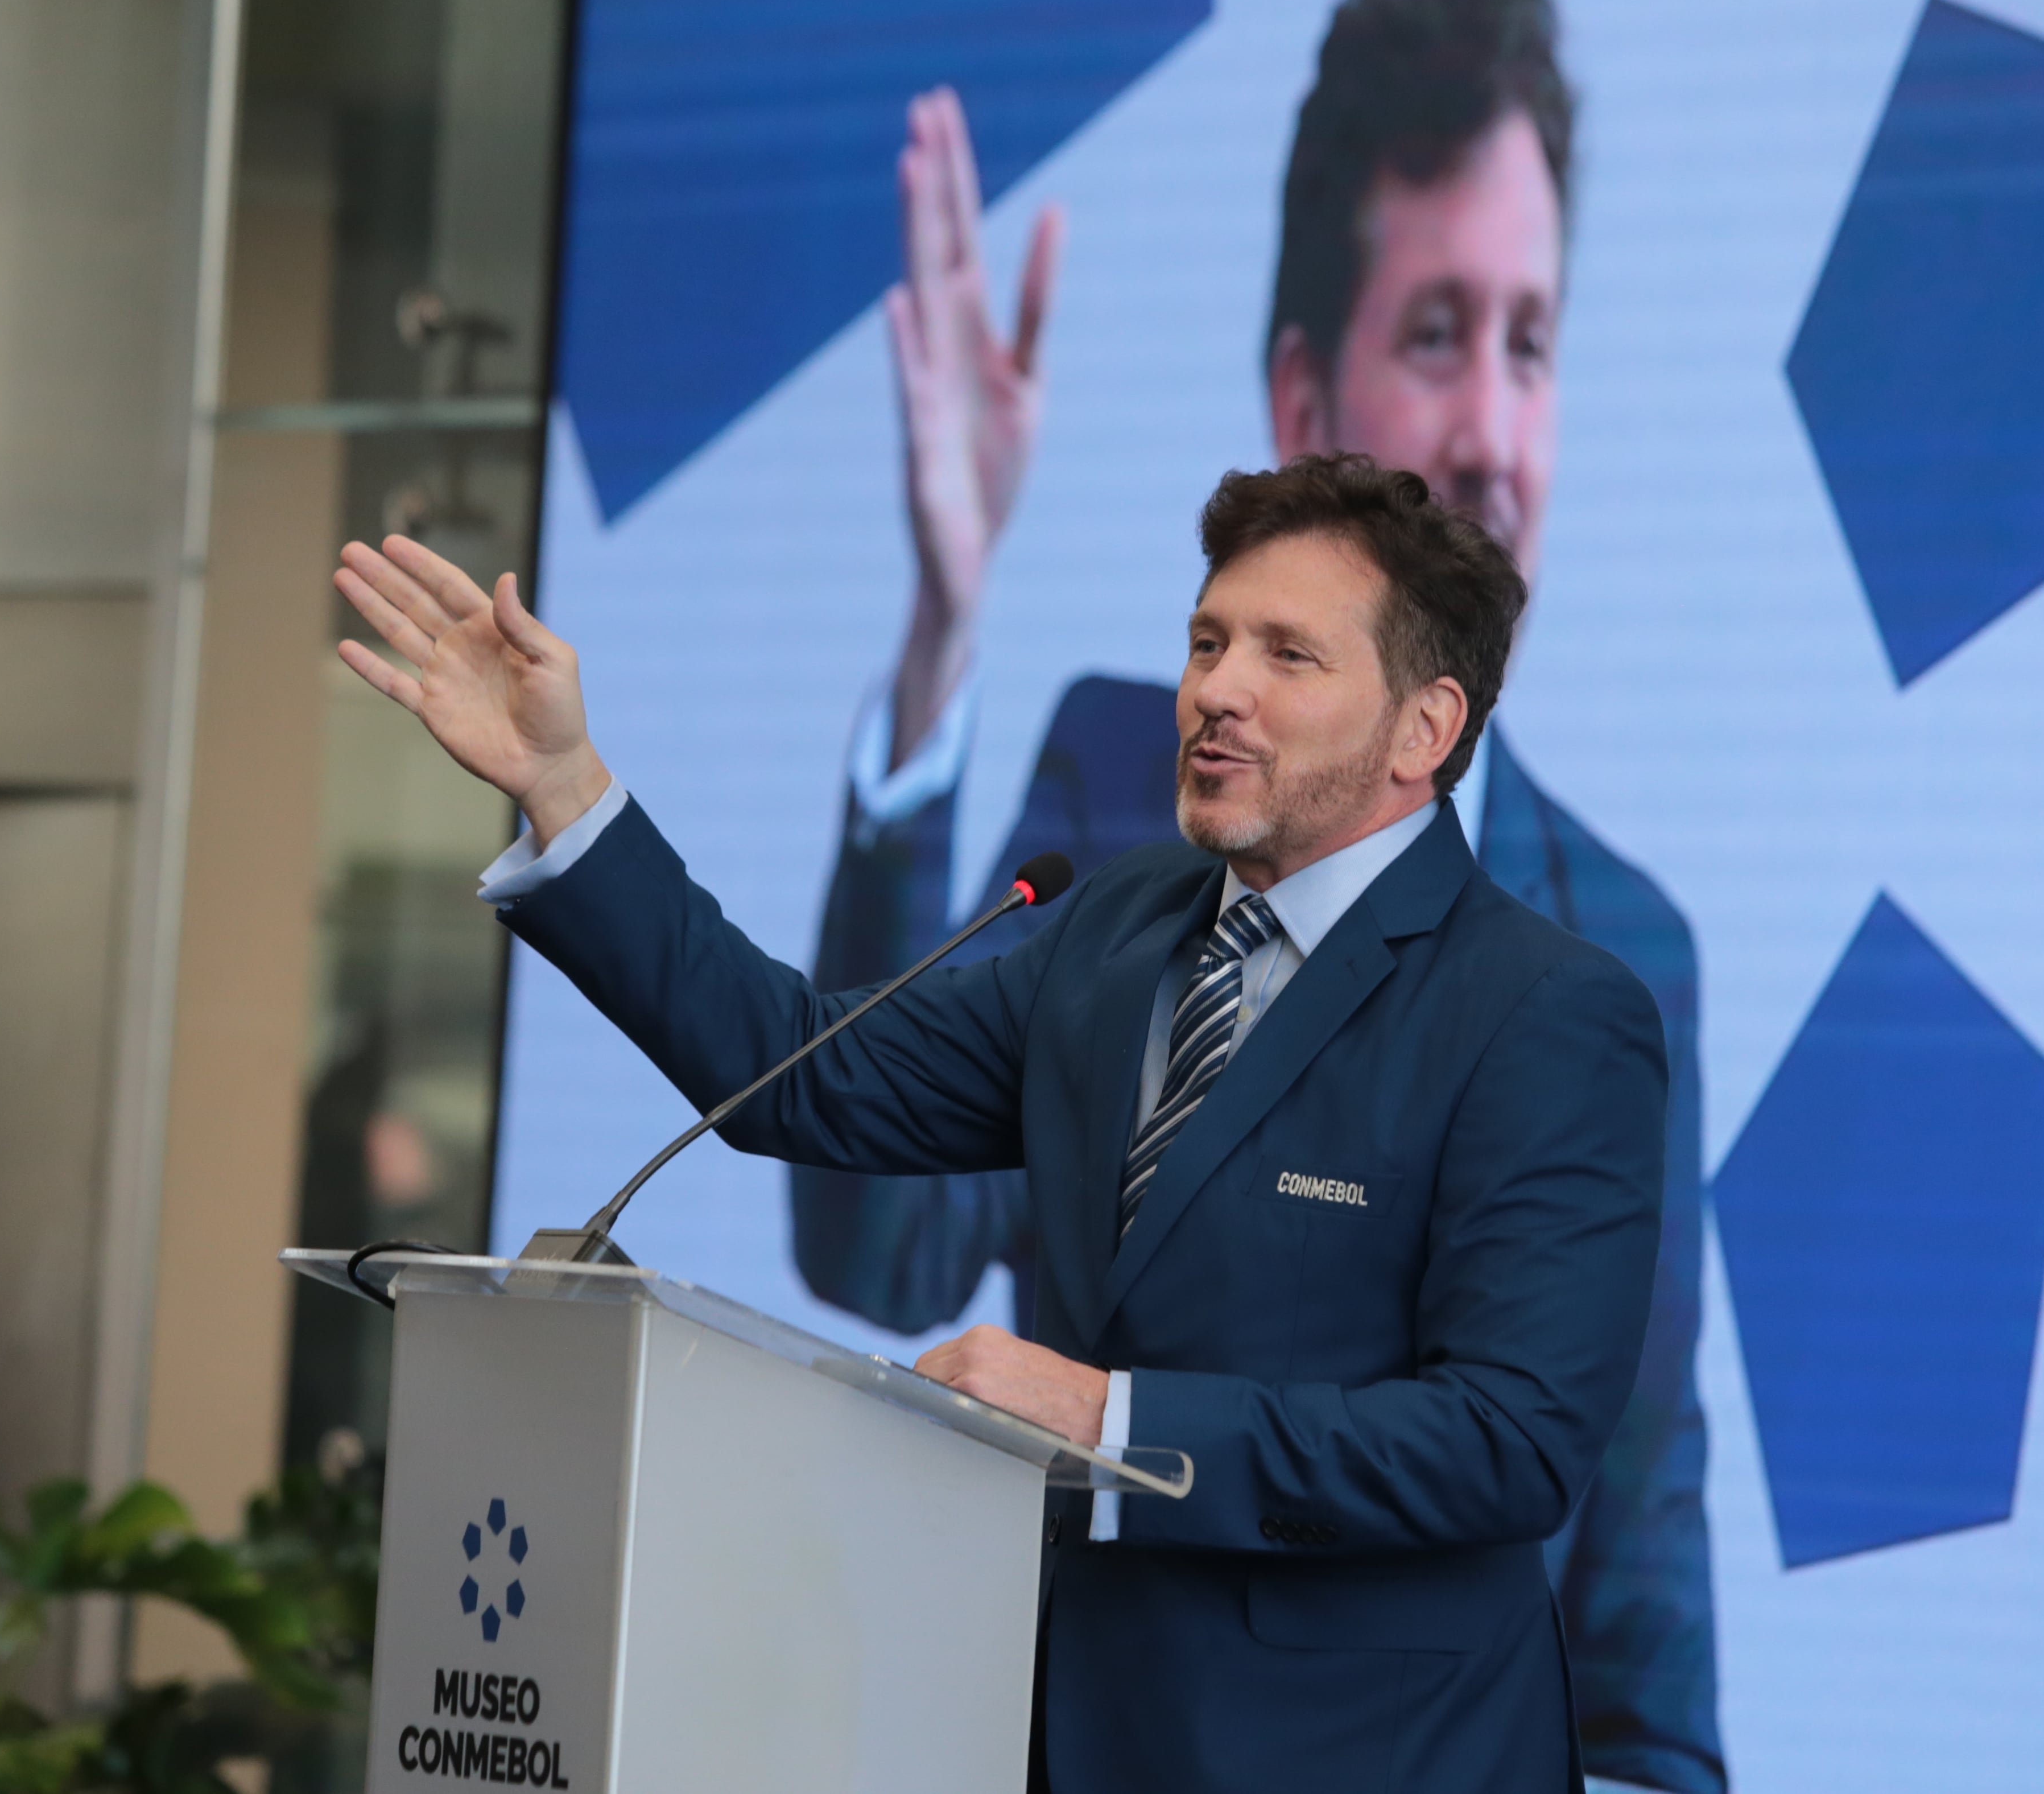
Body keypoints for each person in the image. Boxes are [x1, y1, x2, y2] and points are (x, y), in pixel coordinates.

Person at [331, 454, 1668, 1792]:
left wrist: (1111, 1415)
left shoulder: (1543, 1010)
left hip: (1363, 1752)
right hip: (1059, 1729)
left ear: (1424, 728)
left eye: (1287, 654)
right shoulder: (1117, 928)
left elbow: (1511, 1439)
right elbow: (797, 1071)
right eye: (1207, 639)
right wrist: (564, 786)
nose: (1216, 689)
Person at [799, 0, 1723, 1792]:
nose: (1491, 427)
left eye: (1530, 340)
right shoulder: (1127, 797)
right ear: (1304, 399)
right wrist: (942, 626)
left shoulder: (1623, 948)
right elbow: (876, 1234)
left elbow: (1630, 1502)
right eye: (1438, 331)